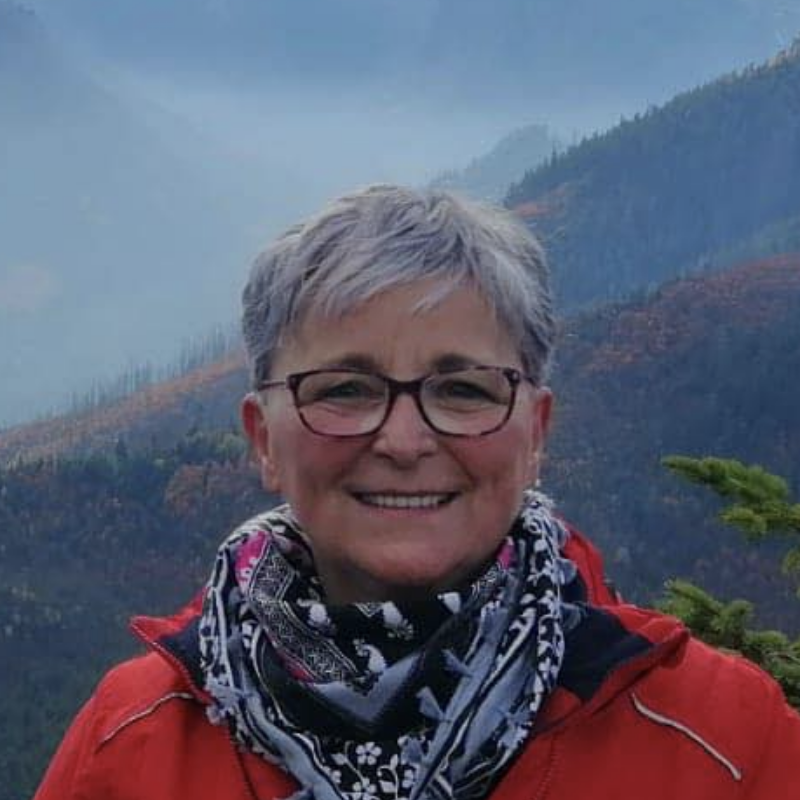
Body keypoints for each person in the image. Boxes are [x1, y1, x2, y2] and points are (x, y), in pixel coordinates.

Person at [35, 185, 800, 800]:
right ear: (263, 438)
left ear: (535, 432)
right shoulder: (128, 745)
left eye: (463, 389)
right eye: (345, 388)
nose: (404, 442)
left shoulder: (726, 744)